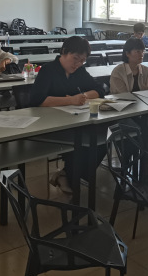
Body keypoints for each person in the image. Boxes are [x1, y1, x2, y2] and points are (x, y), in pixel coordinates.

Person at [29, 36, 105, 193]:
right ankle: (70, 176)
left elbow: (100, 89)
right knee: (81, 139)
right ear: (64, 52)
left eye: (82, 61)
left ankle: (68, 174)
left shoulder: (79, 71)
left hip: (73, 119)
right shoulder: (48, 70)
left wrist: (84, 95)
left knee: (102, 139)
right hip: (49, 123)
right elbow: (37, 100)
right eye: (75, 58)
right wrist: (71, 100)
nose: (78, 64)